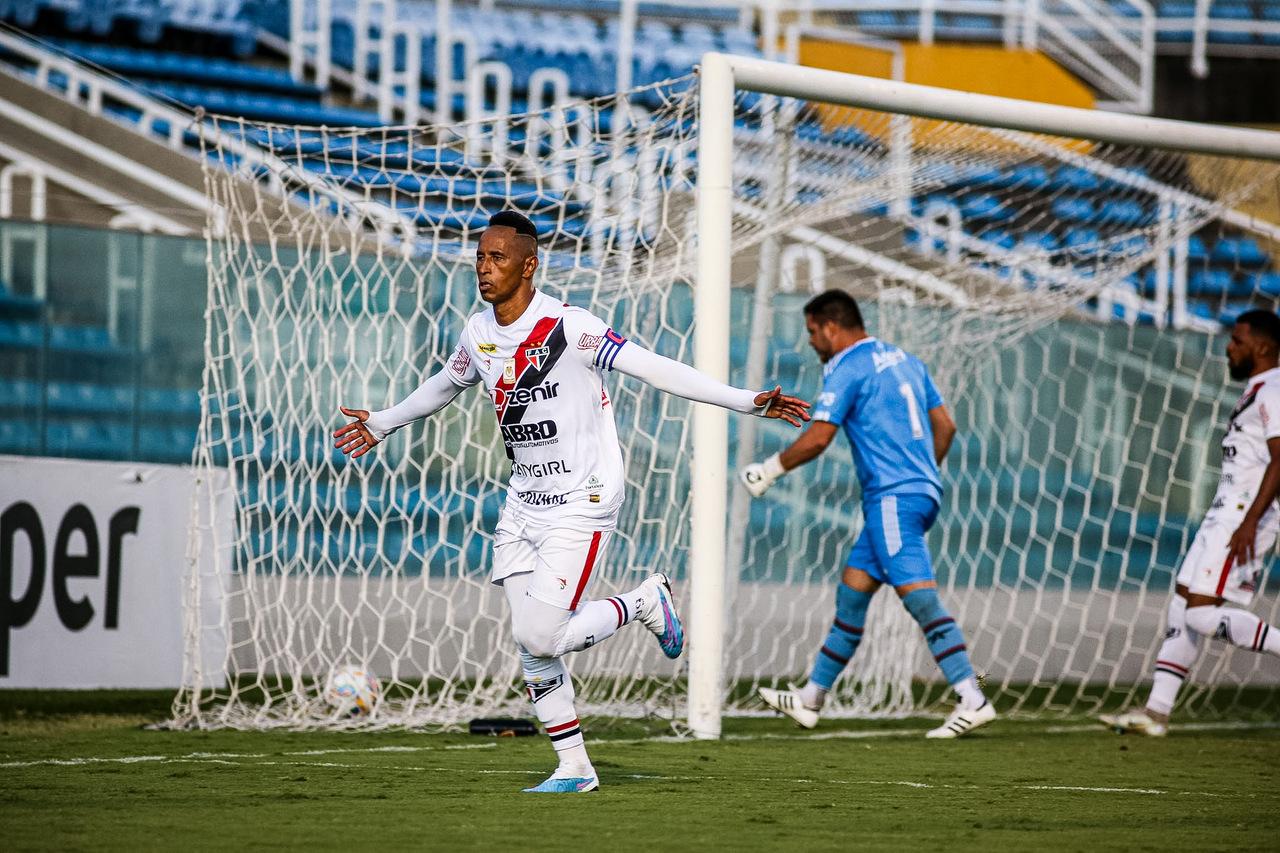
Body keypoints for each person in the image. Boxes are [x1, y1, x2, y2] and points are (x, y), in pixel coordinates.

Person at [334, 210, 809, 792]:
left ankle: (643, 602)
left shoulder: (569, 327)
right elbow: (446, 384)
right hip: (524, 502)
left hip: (583, 498)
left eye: (498, 258)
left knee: (541, 635)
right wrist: (384, 421)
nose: (484, 267)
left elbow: (654, 369)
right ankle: (575, 768)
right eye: (480, 257)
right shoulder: (477, 332)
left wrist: (744, 400)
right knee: (531, 642)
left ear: (529, 266)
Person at [740, 289, 995, 738]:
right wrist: (921, 476)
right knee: (854, 593)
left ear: (831, 327)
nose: (812, 342)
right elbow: (946, 426)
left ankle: (973, 698)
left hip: (893, 499)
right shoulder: (905, 360)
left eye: (813, 332)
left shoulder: (848, 366)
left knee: (919, 597)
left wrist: (769, 470)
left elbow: (819, 437)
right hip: (918, 492)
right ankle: (811, 698)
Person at [1102, 310, 1280, 737]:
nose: (1228, 348)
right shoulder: (1258, 389)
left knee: (1201, 614)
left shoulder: (1275, 390)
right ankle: (1156, 713)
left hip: (1244, 517)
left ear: (1262, 346)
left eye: (1237, 341)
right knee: (1182, 606)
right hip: (1225, 514)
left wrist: (1250, 522)